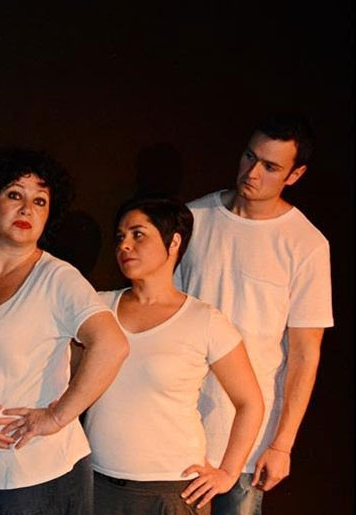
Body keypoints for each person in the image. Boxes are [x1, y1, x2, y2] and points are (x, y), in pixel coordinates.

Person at [0, 150, 129, 514]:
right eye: (15, 194)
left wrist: (56, 416)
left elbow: (111, 345)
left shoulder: (58, 278)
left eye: (40, 201)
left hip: (39, 472)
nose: (27, 209)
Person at [175, 115, 334, 514]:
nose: (252, 173)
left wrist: (282, 445)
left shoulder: (306, 244)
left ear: (295, 175)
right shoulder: (193, 219)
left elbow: (305, 353)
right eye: (250, 156)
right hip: (177, 424)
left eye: (271, 166)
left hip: (245, 439)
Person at [84, 198, 263, 514]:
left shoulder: (203, 320)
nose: (124, 245)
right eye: (120, 237)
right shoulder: (96, 307)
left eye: (138, 234)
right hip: (99, 485)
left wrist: (227, 473)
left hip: (172, 491)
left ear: (174, 242)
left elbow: (250, 402)